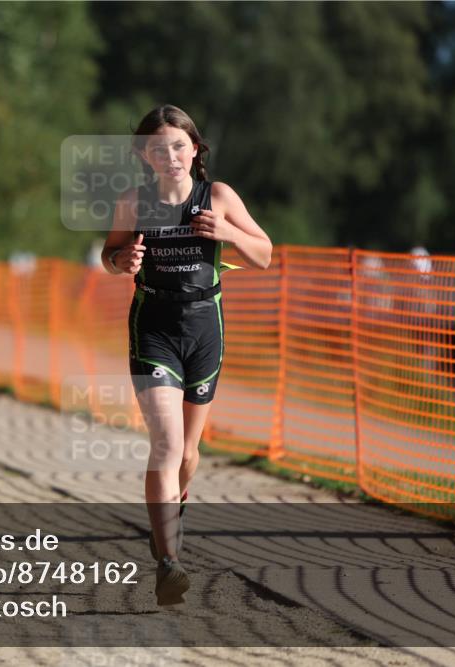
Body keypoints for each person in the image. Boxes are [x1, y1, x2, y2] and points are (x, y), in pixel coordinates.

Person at [100, 105, 272, 606]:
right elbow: (110, 256)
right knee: (167, 444)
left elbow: (264, 254)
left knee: (189, 455)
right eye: (158, 148)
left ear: (194, 149)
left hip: (204, 329)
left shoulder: (216, 196)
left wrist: (229, 233)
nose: (170, 155)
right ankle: (168, 561)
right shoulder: (133, 202)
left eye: (178, 145)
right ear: (145, 156)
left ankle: (172, 512)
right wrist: (121, 259)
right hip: (153, 327)